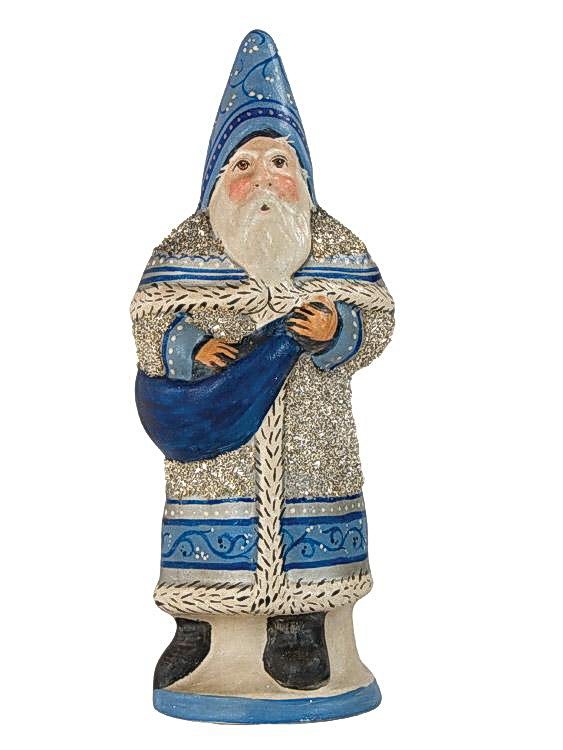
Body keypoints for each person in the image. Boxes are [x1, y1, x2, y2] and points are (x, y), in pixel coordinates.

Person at [132, 29, 394, 718]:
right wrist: (190, 344)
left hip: (313, 436)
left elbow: (379, 315)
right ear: (219, 176)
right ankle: (198, 627)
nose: (263, 179)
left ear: (302, 172)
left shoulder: (334, 241)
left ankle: (299, 625)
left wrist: (338, 330)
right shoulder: (186, 243)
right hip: (218, 447)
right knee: (209, 534)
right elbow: (147, 318)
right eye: (244, 164)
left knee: (311, 530)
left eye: (278, 161)